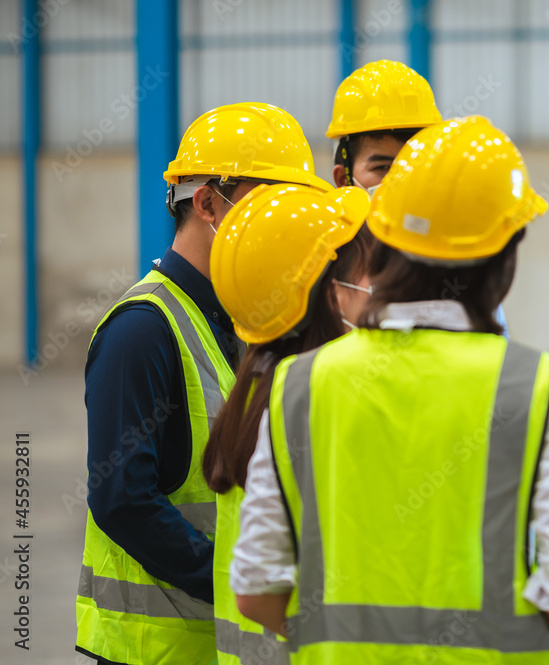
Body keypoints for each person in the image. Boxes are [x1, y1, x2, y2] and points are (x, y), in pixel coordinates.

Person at [232, 116, 549, 663]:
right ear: (505, 255)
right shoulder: (530, 384)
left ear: (383, 239)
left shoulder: (301, 383)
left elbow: (255, 589)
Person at [76, 103, 335, 665]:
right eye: (267, 206)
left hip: (215, 642)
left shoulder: (245, 318)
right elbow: (122, 498)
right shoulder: (142, 330)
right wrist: (236, 580)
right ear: (209, 203)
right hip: (153, 648)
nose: (279, 227)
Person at [202, 182, 372, 665]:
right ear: (327, 295)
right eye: (361, 270)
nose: (374, 283)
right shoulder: (310, 405)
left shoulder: (255, 392)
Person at [327, 58, 511, 334]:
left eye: (411, 166)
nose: (401, 182)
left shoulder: (459, 269)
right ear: (344, 179)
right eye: (383, 168)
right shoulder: (320, 269)